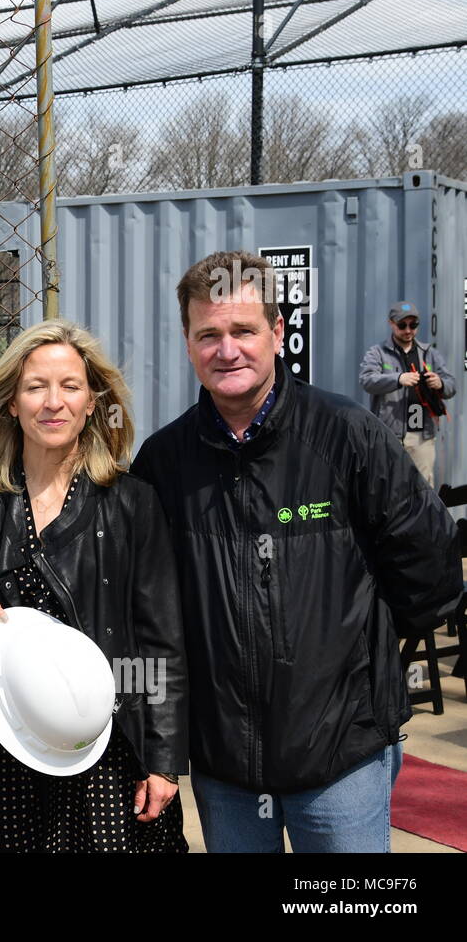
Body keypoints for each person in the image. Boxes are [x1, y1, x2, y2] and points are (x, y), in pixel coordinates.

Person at [132, 250, 460, 853]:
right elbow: (152, 610)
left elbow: (431, 565)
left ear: (278, 333)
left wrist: (363, 660)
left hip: (342, 752)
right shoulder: (163, 463)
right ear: (187, 342)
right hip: (226, 761)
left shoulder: (349, 436)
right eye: (208, 334)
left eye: (243, 331)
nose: (226, 350)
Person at [0, 319, 188, 853]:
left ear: (93, 401)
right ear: (11, 402)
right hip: (2, 737)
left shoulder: (131, 503)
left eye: (70, 386)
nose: (54, 402)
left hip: (108, 740)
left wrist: (162, 759)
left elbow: (161, 636)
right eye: (35, 387)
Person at [359, 301, 456, 486]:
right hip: (389, 435)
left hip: (421, 437)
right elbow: (366, 380)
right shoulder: (378, 353)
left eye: (413, 325)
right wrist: (398, 379)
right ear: (391, 323)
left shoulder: (429, 354)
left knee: (423, 491)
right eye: (402, 325)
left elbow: (451, 385)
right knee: (387, 489)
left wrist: (440, 383)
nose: (408, 330)